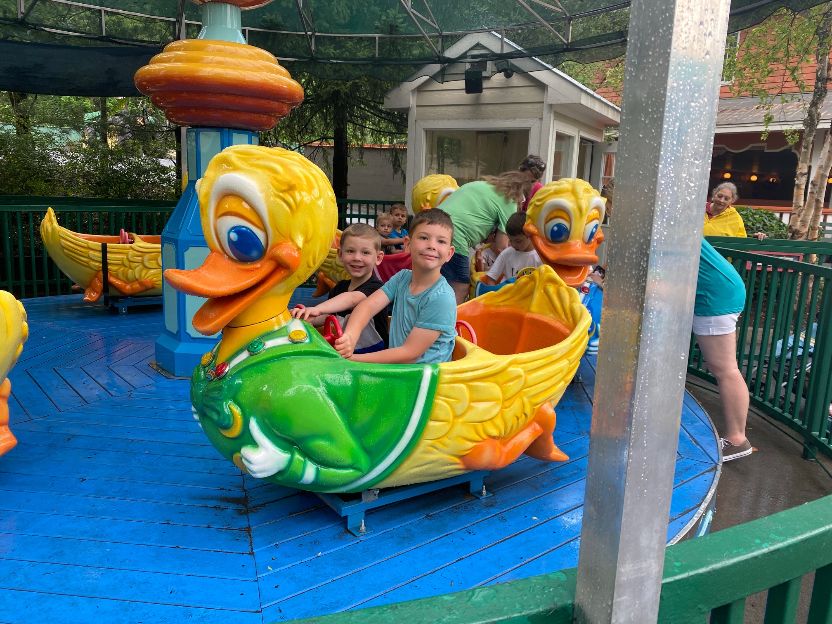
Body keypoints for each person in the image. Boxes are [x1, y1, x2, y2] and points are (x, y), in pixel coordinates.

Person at [335, 209, 457, 364]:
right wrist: (350, 337)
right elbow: (367, 306)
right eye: (424, 237)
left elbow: (409, 353)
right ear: (408, 244)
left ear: (449, 253)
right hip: (401, 372)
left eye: (441, 241)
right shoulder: (402, 278)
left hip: (425, 378)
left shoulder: (441, 297)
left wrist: (354, 359)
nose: (432, 245)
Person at [694, 238, 753, 462]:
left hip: (714, 293)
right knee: (725, 368)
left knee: (725, 369)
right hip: (717, 289)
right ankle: (736, 437)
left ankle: (736, 440)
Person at [292, 223, 388, 354]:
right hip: (345, 353)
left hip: (374, 357)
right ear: (340, 254)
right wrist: (309, 317)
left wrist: (317, 309)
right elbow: (331, 317)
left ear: (378, 258)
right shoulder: (340, 287)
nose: (357, 258)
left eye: (365, 252)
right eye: (350, 251)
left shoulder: (377, 288)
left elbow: (352, 299)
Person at [438, 171, 532, 304]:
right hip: (454, 235)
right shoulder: (509, 200)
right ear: (520, 196)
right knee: (460, 287)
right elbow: (501, 247)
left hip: (432, 224)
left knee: (435, 283)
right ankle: (450, 323)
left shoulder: (482, 185)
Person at [481, 212, 542, 284]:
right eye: (510, 240)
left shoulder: (540, 257)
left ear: (530, 235)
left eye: (518, 241)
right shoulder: (507, 253)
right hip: (507, 293)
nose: (513, 244)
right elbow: (491, 278)